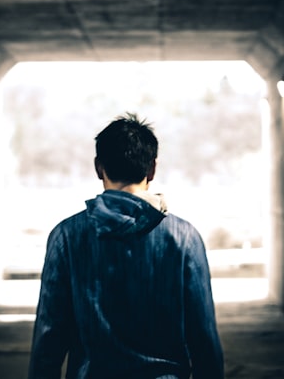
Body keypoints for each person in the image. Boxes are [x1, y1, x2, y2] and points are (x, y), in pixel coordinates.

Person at [28, 113, 224, 379]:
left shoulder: (67, 236)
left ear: (98, 167)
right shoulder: (184, 237)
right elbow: (203, 339)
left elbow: (49, 337)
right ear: (152, 169)